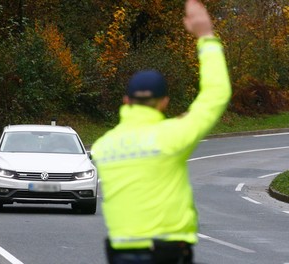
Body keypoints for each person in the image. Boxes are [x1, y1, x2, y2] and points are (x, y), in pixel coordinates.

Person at [91, 0, 231, 263]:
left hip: (121, 254)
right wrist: (206, 36)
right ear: (164, 101)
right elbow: (216, 94)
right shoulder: (171, 136)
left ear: (126, 101)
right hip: (166, 254)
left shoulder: (103, 147)